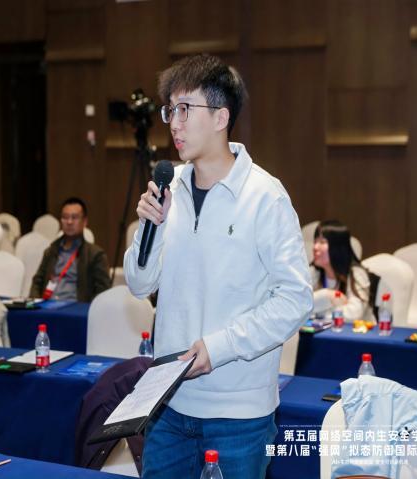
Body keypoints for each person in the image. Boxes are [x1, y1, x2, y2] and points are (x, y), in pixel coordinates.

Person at [124, 54, 313, 479]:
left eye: (185, 109)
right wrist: (151, 227)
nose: (174, 124)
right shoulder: (169, 186)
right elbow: (138, 284)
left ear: (221, 117)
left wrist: (220, 347)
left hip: (238, 415)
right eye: (169, 110)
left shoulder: (265, 196)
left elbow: (295, 299)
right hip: (168, 404)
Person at [30, 197, 111, 302]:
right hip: (47, 306)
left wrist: (86, 308)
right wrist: (35, 304)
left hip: (75, 308)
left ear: (85, 221)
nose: (69, 222)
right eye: (65, 217)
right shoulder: (51, 251)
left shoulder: (95, 255)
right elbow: (37, 281)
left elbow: (103, 291)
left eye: (74, 217)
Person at [311, 219, 374, 321]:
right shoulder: (314, 272)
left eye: (322, 242)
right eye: (315, 242)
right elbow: (300, 305)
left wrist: (320, 314)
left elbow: (355, 313)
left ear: (337, 247)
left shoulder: (356, 273)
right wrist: (328, 294)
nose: (315, 247)